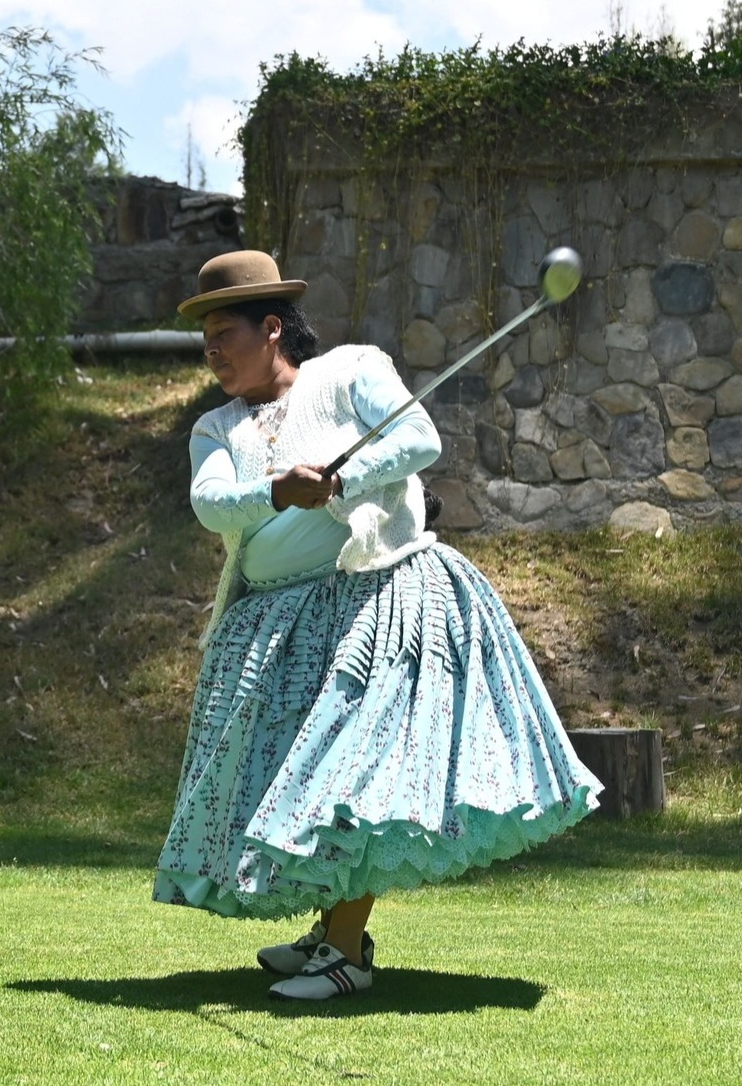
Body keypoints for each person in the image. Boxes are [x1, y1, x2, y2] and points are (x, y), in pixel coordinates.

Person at [154, 249, 600, 1000]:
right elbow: (211, 503)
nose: (211, 351)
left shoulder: (352, 369)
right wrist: (278, 490)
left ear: (271, 328)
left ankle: (347, 955)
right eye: (204, 338)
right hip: (271, 622)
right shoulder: (215, 428)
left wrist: (343, 477)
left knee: (353, 770)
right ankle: (338, 932)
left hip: (377, 597)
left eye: (221, 333)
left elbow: (418, 439)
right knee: (301, 776)